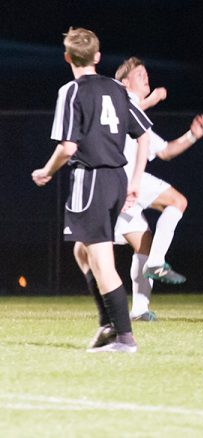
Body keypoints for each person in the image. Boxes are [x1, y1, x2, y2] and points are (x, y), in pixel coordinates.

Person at [31, 27, 152, 353]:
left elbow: (68, 147)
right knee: (82, 252)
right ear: (97, 57)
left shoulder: (70, 91)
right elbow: (144, 135)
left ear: (68, 57)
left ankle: (124, 337)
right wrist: (136, 180)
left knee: (101, 260)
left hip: (92, 181)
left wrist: (45, 171)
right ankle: (107, 324)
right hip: (117, 179)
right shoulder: (116, 87)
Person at [106, 57, 203, 320]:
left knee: (144, 243)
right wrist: (152, 100)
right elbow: (130, 103)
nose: (145, 77)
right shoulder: (120, 100)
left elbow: (165, 152)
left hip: (123, 186)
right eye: (139, 74)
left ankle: (140, 310)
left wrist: (192, 135)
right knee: (178, 201)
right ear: (124, 82)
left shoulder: (137, 118)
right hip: (124, 181)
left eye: (146, 73)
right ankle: (156, 263)